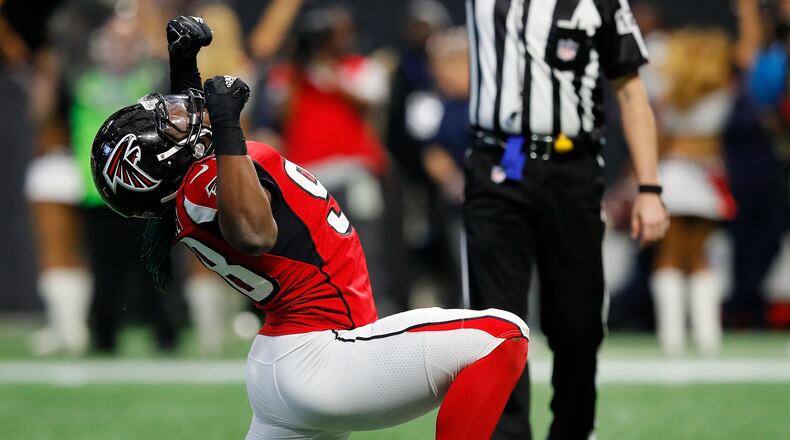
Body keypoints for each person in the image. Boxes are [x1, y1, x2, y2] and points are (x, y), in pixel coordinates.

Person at [89, 16, 529, 440]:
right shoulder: (205, 185)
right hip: (325, 353)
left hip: (288, 359)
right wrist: (227, 125)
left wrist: (184, 66)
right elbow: (254, 232)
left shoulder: (189, 192)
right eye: (166, 127)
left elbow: (201, 155)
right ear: (155, 168)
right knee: (502, 336)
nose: (178, 117)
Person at [463, 0, 669, 438]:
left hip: (569, 168)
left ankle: (574, 430)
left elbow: (631, 91)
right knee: (495, 321)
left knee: (577, 322)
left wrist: (649, 188)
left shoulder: (600, 4)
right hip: (498, 162)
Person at [650, 28, 737, 357]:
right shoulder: (721, 92)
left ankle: (672, 336)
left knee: (669, 255)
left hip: (673, 174)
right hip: (705, 176)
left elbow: (659, 136)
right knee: (700, 256)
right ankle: (707, 335)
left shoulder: (669, 92)